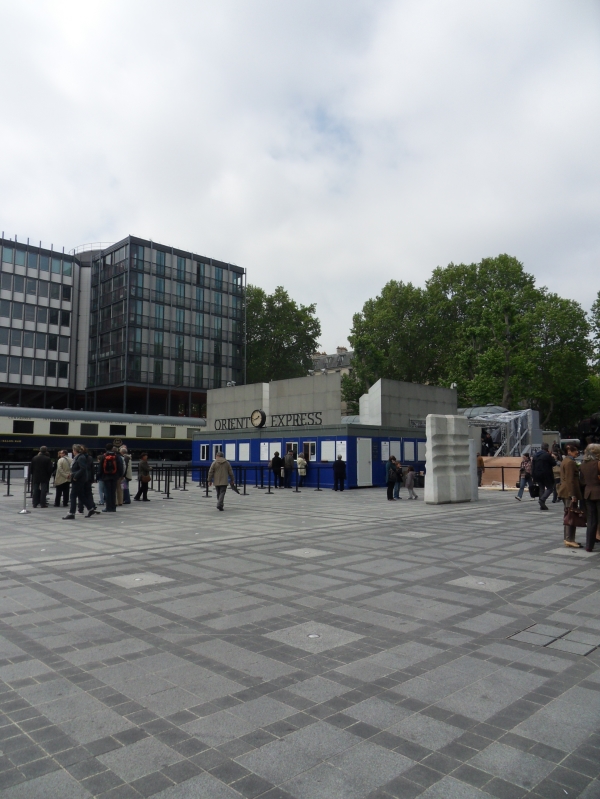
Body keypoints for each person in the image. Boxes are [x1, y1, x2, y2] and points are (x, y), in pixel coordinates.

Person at [557, 443, 583, 548]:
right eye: (575, 450)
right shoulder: (570, 463)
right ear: (569, 451)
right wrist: (572, 495)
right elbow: (570, 480)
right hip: (569, 492)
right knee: (571, 515)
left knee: (569, 514)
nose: (577, 452)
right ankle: (569, 539)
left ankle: (569, 538)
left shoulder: (566, 461)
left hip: (566, 491)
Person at [63, 444, 97, 519]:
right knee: (81, 495)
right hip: (79, 478)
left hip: (79, 479)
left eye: (73, 450)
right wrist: (72, 474)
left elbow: (82, 469)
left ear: (75, 450)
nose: (73, 451)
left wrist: (75, 476)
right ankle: (90, 509)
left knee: (73, 495)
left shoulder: (81, 457)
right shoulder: (78, 457)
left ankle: (72, 513)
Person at [580, 443, 600, 552]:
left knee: (591, 520)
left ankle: (589, 545)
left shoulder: (583, 465)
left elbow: (582, 481)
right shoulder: (598, 463)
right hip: (598, 492)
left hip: (588, 493)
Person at [98, 444, 124, 513]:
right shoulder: (116, 456)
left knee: (107, 492)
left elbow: (100, 467)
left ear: (105, 449)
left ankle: (108, 507)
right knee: (113, 492)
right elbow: (120, 466)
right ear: (112, 448)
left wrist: (100, 476)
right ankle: (113, 507)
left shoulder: (104, 456)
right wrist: (119, 475)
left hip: (106, 477)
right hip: (114, 476)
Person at [531, 443, 556, 510]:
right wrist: (553, 457)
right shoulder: (547, 455)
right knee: (550, 488)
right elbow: (554, 463)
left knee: (541, 488)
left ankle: (542, 505)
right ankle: (542, 500)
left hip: (537, 474)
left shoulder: (535, 455)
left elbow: (532, 466)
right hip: (546, 474)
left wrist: (533, 476)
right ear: (547, 448)